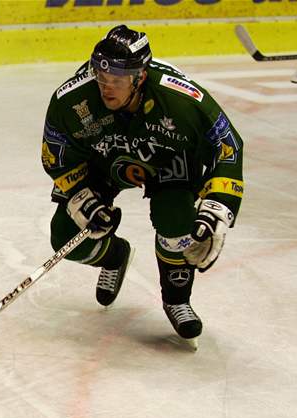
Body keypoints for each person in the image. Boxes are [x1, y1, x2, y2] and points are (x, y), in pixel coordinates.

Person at [41, 25, 243, 347]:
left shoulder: (181, 98)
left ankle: (176, 298)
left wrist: (219, 204)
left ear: (140, 76)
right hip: (107, 160)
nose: (106, 88)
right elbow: (57, 153)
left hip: (167, 160)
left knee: (176, 223)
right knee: (66, 237)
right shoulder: (72, 100)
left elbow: (228, 144)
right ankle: (114, 256)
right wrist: (83, 196)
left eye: (117, 81)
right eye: (101, 77)